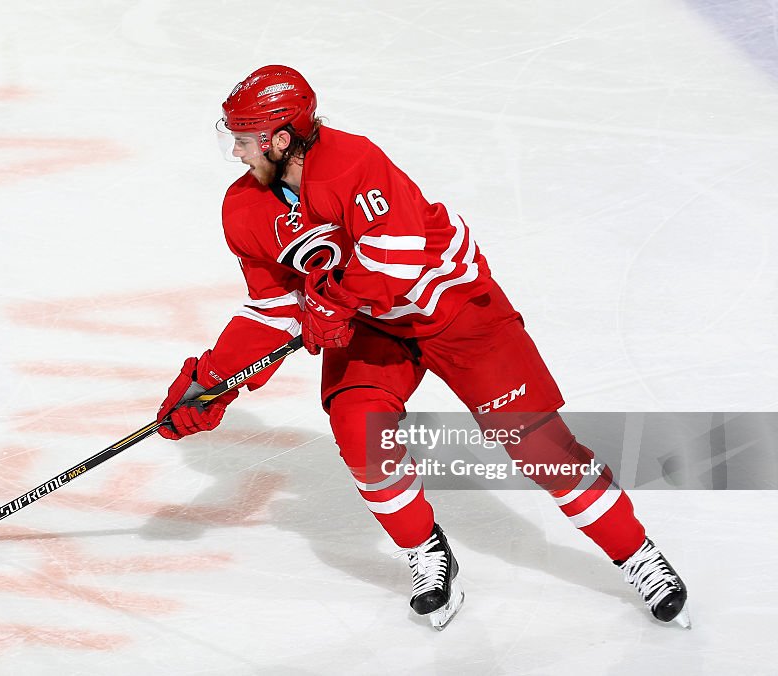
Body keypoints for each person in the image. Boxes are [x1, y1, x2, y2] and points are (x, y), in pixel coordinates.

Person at [156, 65, 689, 630]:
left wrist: (331, 304)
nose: (235, 153)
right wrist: (211, 382)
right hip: (374, 330)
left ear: (281, 138)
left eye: (242, 140)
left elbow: (398, 258)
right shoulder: (243, 210)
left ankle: (636, 555)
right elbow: (272, 307)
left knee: (539, 445)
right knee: (360, 434)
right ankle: (426, 552)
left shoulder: (354, 162)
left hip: (457, 311)